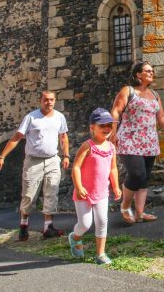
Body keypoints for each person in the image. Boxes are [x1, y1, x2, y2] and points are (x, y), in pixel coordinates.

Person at [110, 61, 164, 224]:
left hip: (149, 141)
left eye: (152, 71)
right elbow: (116, 111)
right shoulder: (128, 91)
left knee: (144, 178)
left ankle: (140, 214)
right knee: (137, 174)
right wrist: (113, 132)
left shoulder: (155, 95)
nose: (152, 73)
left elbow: (161, 117)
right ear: (138, 74)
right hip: (129, 139)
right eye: (148, 71)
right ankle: (125, 207)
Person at [0, 90, 71, 240]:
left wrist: (66, 155)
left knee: (52, 192)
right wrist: (2, 156)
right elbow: (17, 137)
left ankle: (48, 228)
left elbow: (63, 137)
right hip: (33, 161)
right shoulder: (31, 117)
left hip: (52, 160)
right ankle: (24, 225)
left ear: (55, 101)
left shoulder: (59, 117)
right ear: (40, 101)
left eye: (51, 100)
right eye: (46, 100)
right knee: (29, 195)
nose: (49, 102)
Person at [68, 108, 122, 265]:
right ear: (92, 127)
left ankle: (100, 254)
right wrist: (78, 187)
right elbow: (76, 167)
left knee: (102, 221)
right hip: (84, 193)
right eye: (102, 125)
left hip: (102, 193)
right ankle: (75, 237)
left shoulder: (111, 147)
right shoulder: (87, 146)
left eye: (109, 125)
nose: (107, 129)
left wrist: (116, 186)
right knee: (85, 224)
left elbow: (113, 168)